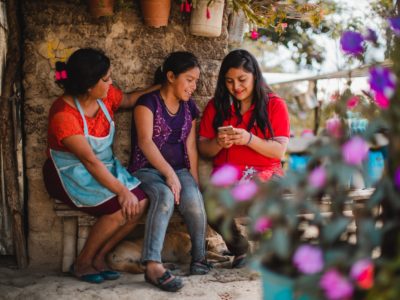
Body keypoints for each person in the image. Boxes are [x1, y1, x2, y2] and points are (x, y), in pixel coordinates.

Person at [43, 48, 159, 284]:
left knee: (142, 202)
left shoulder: (104, 97)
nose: (111, 82)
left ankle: (101, 257)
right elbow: (89, 161)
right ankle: (83, 262)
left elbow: (127, 99)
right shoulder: (64, 114)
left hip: (102, 166)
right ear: (88, 85)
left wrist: (161, 87)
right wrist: (121, 191)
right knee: (119, 208)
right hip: (69, 172)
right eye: (106, 79)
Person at [198, 49, 290, 268]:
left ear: (255, 76)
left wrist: (249, 139)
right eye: (229, 81)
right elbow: (203, 149)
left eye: (242, 80)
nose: (236, 87)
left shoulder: (274, 105)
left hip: (264, 173)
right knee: (209, 203)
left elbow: (279, 151)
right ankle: (240, 250)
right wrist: (219, 142)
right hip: (227, 176)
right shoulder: (216, 106)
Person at [128, 51, 211, 292]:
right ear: (171, 76)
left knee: (194, 201)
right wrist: (169, 175)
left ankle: (199, 257)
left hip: (179, 169)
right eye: (189, 79)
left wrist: (192, 180)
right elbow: (145, 142)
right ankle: (153, 264)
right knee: (163, 196)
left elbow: (190, 147)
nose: (194, 86)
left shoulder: (189, 108)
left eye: (196, 80)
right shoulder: (147, 103)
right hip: (146, 169)